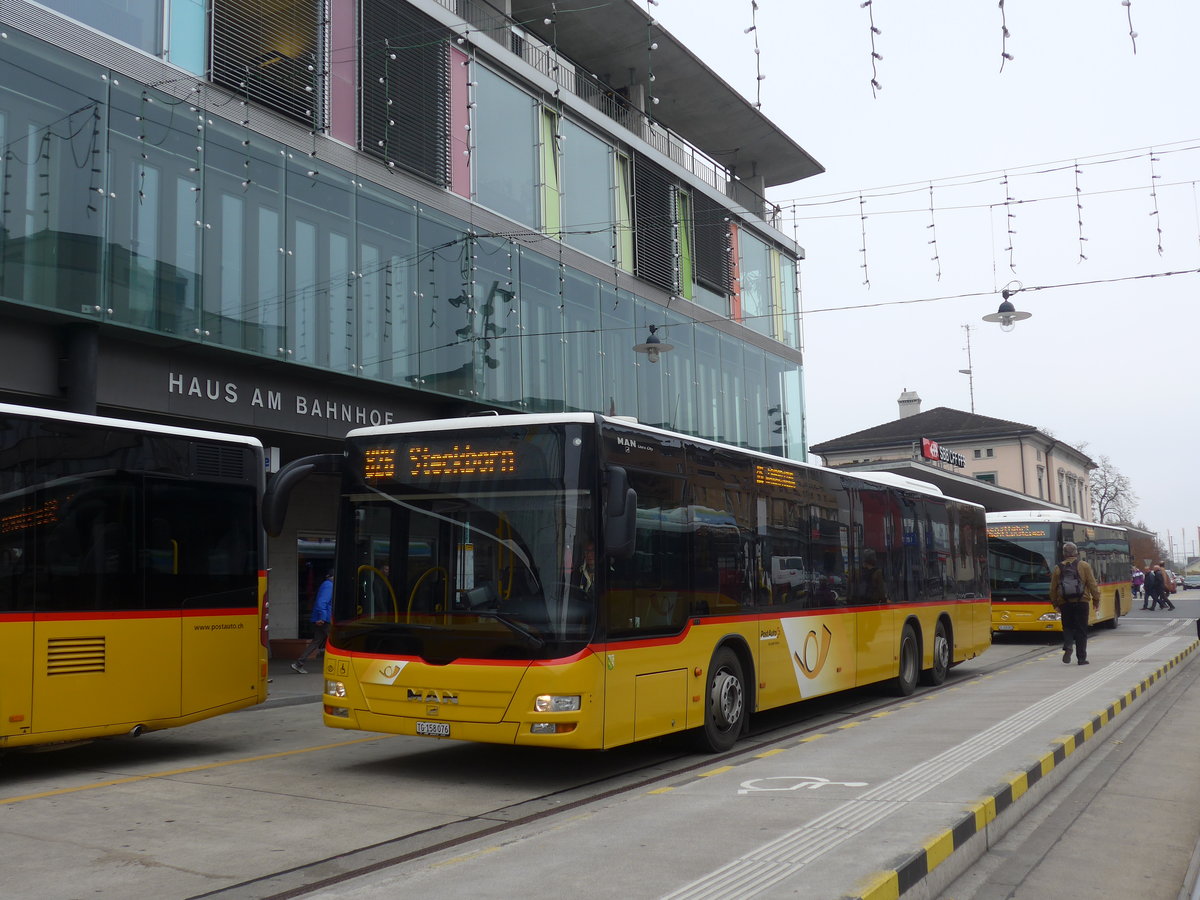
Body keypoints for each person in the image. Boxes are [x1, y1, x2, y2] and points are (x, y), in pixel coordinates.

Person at [1049, 542, 1100, 666]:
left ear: (1064, 554)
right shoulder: (1084, 565)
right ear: (1076, 553)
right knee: (1081, 630)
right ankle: (1081, 659)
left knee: (1067, 627)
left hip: (1065, 603)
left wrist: (1055, 603)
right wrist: (1096, 600)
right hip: (1082, 602)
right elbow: (1092, 584)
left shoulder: (1058, 568)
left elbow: (1053, 588)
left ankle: (1068, 645)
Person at [293, 570, 333, 674]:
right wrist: (323, 618)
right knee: (334, 641)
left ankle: (299, 663)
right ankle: (332, 666)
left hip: (322, 617)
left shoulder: (326, 585)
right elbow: (322, 602)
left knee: (317, 641)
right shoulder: (329, 586)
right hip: (325, 619)